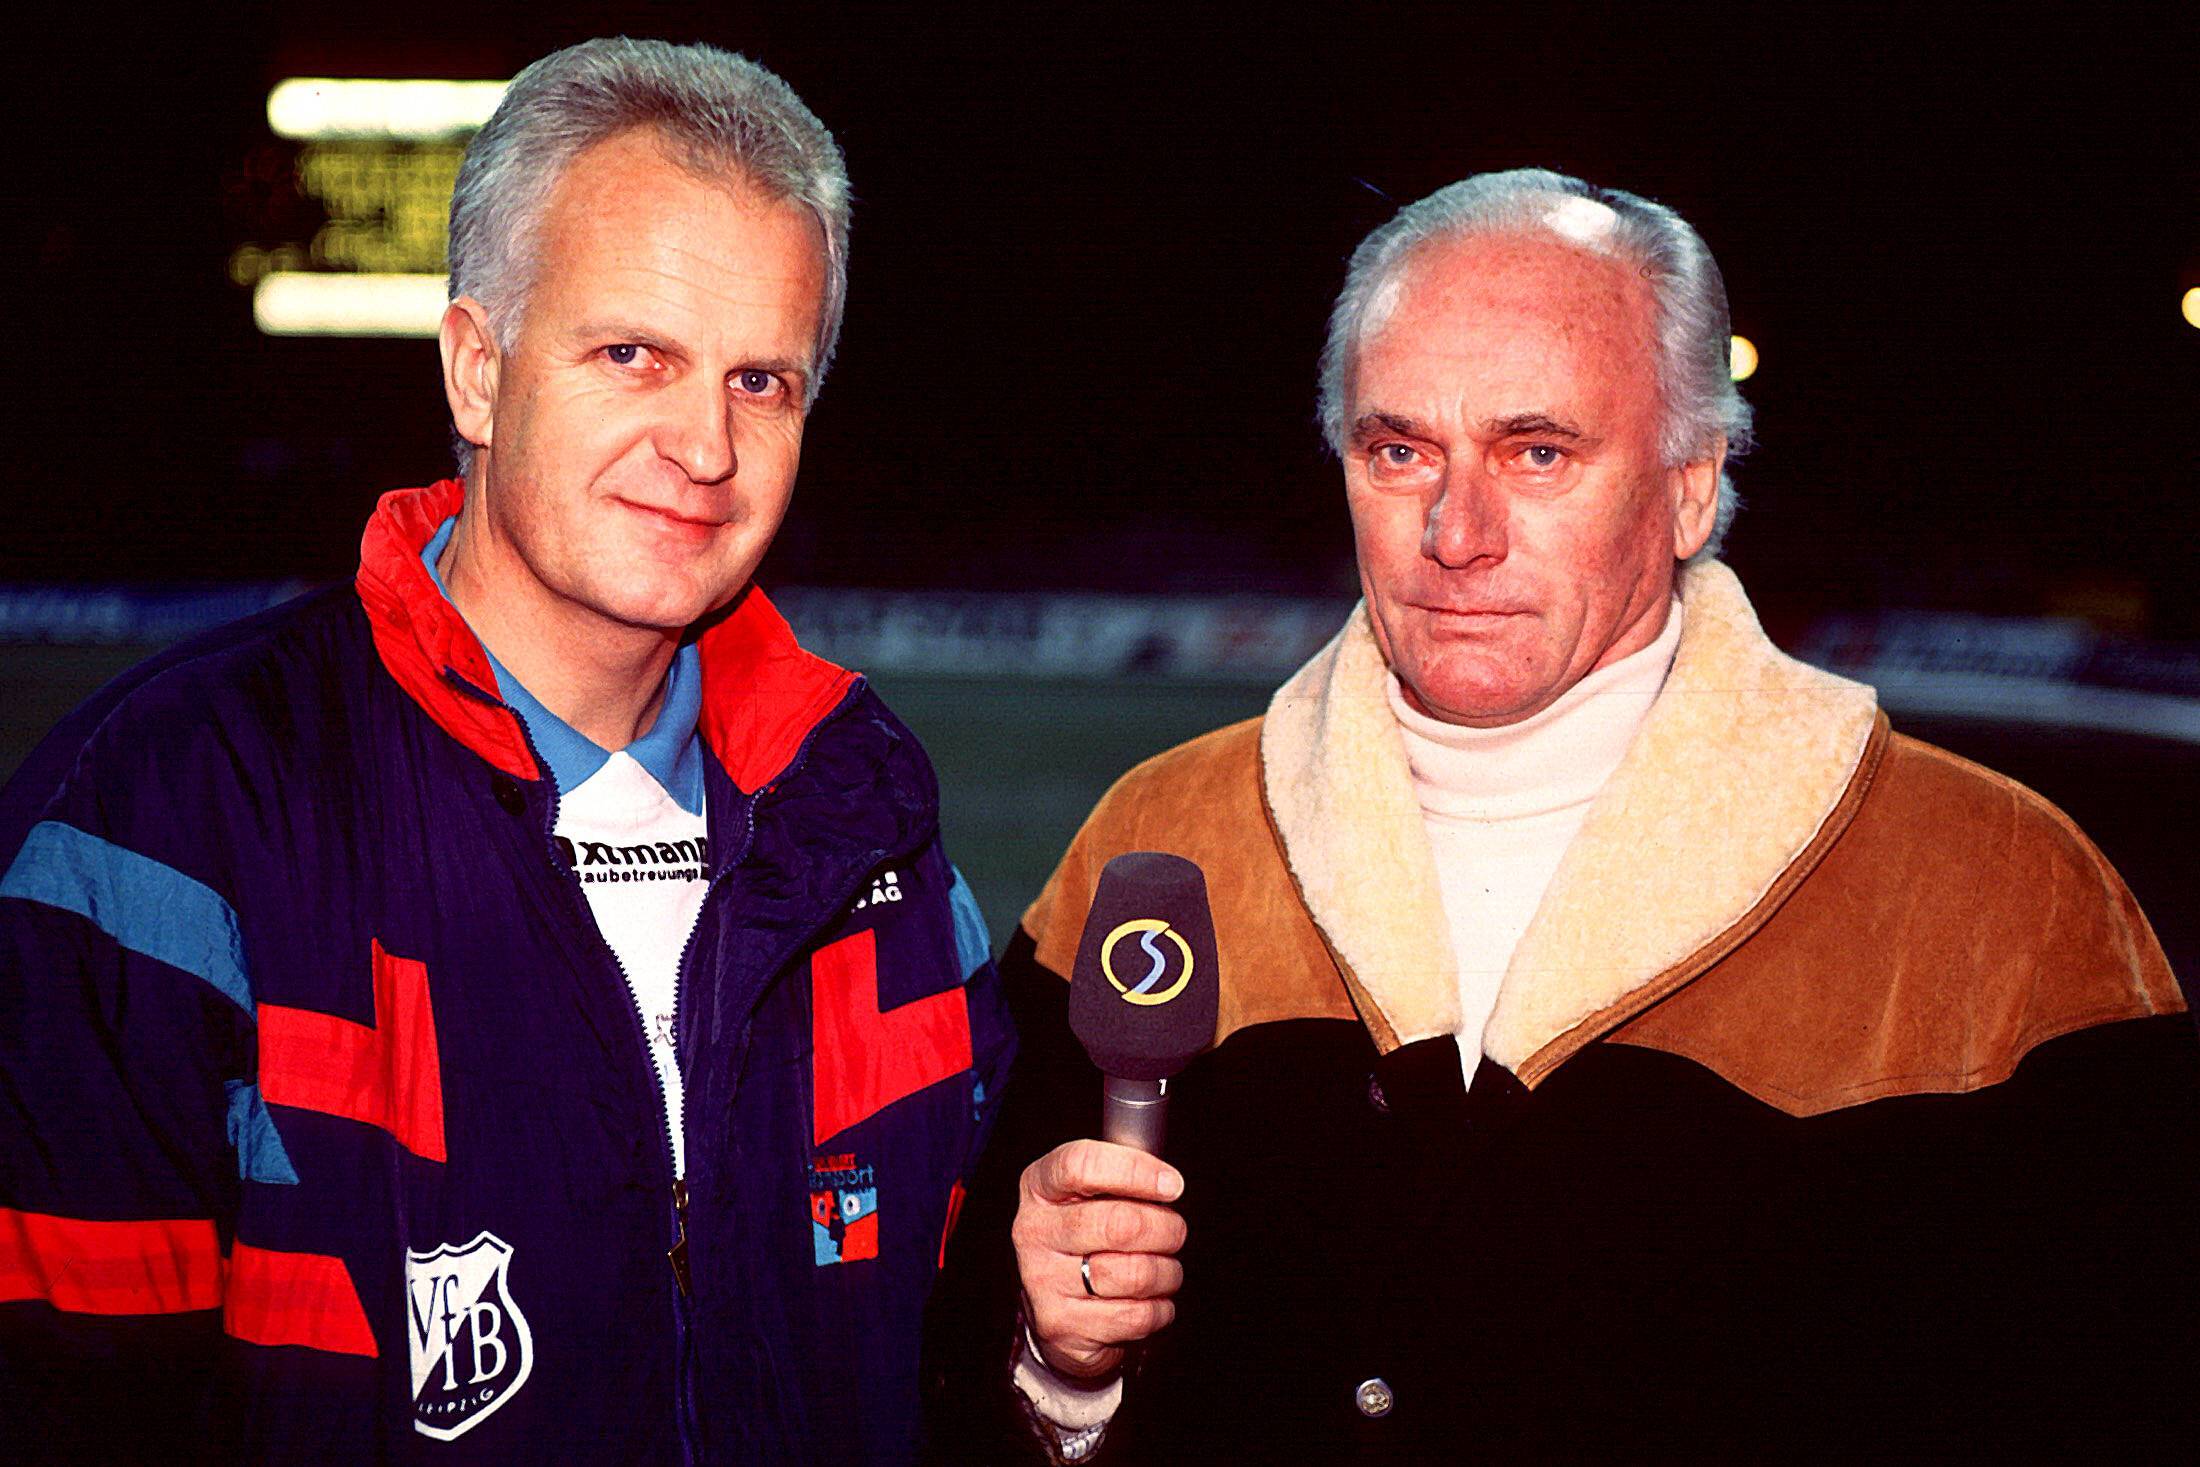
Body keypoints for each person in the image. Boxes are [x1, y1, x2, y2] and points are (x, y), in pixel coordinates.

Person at [929, 169, 2199, 1461]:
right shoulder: (1159, 836)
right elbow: (961, 1402)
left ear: (1692, 485)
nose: (1455, 530)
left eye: (1538, 451)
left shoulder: (2016, 903)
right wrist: (1060, 1375)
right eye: (1400, 449)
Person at [0, 38, 1012, 1464]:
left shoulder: (871, 840)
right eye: (630, 356)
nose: (705, 448)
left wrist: (1058, 1369)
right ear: (478, 373)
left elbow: (950, 1373)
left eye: (762, 382)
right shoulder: (157, 820)